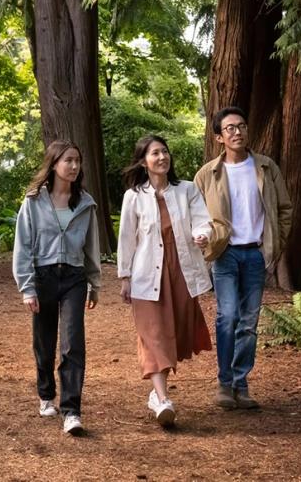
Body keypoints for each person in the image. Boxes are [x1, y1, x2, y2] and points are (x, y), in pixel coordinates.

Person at [194, 107, 292, 410]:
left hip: (255, 254)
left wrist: (273, 247)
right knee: (228, 317)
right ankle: (224, 384)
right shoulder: (207, 174)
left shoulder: (265, 167)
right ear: (219, 137)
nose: (237, 132)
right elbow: (196, 216)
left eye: (241, 126)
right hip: (225, 255)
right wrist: (204, 243)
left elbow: (284, 210)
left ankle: (241, 383)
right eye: (230, 129)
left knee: (248, 323)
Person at [117, 135, 213, 427]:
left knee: (173, 332)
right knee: (154, 334)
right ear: (144, 161)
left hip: (181, 270)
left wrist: (202, 234)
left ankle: (156, 395)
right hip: (147, 273)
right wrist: (125, 276)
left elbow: (202, 219)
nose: (162, 157)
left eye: (165, 152)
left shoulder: (186, 190)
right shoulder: (134, 196)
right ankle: (162, 398)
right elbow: (126, 239)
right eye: (155, 153)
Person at [12, 140, 101, 436]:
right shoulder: (34, 201)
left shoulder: (86, 203)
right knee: (44, 342)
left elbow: (91, 247)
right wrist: (27, 287)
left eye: (77, 161)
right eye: (68, 161)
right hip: (43, 276)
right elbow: (23, 247)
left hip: (74, 277)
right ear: (54, 165)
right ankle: (46, 393)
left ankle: (72, 410)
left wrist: (94, 283)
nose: (74, 166)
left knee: (73, 342)